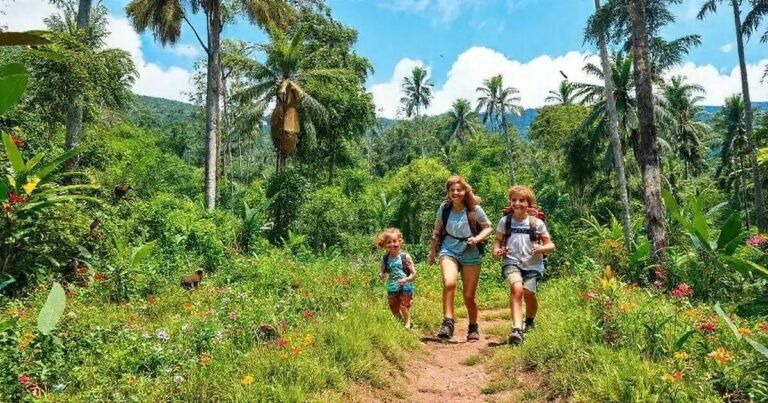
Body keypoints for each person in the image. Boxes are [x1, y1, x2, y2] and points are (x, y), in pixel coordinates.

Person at [428, 176, 493, 341]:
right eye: (452, 190)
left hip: (470, 252)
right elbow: (437, 231)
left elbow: (488, 227)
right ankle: (448, 322)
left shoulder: (474, 209)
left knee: (469, 296)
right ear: (448, 192)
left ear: (465, 191)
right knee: (449, 283)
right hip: (449, 249)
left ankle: (473, 326)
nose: (455, 193)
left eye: (459, 190)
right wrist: (432, 252)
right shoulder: (444, 208)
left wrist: (477, 239)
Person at [492, 186, 555, 345]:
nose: (517, 203)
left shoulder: (537, 223)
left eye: (521, 200)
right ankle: (517, 329)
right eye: (514, 200)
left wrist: (541, 248)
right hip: (511, 261)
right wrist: (498, 251)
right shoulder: (504, 221)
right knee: (517, 289)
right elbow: (497, 241)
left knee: (528, 294)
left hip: (533, 265)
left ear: (529, 203)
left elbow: (550, 246)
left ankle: (530, 321)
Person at [377, 228, 416, 329]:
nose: (392, 244)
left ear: (400, 241)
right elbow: (382, 271)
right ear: (385, 244)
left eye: (394, 241)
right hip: (392, 286)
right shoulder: (385, 259)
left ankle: (408, 323)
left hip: (405, 285)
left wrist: (406, 279)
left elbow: (413, 274)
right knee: (393, 307)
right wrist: (381, 274)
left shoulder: (405, 257)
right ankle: (399, 323)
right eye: (388, 242)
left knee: (404, 306)